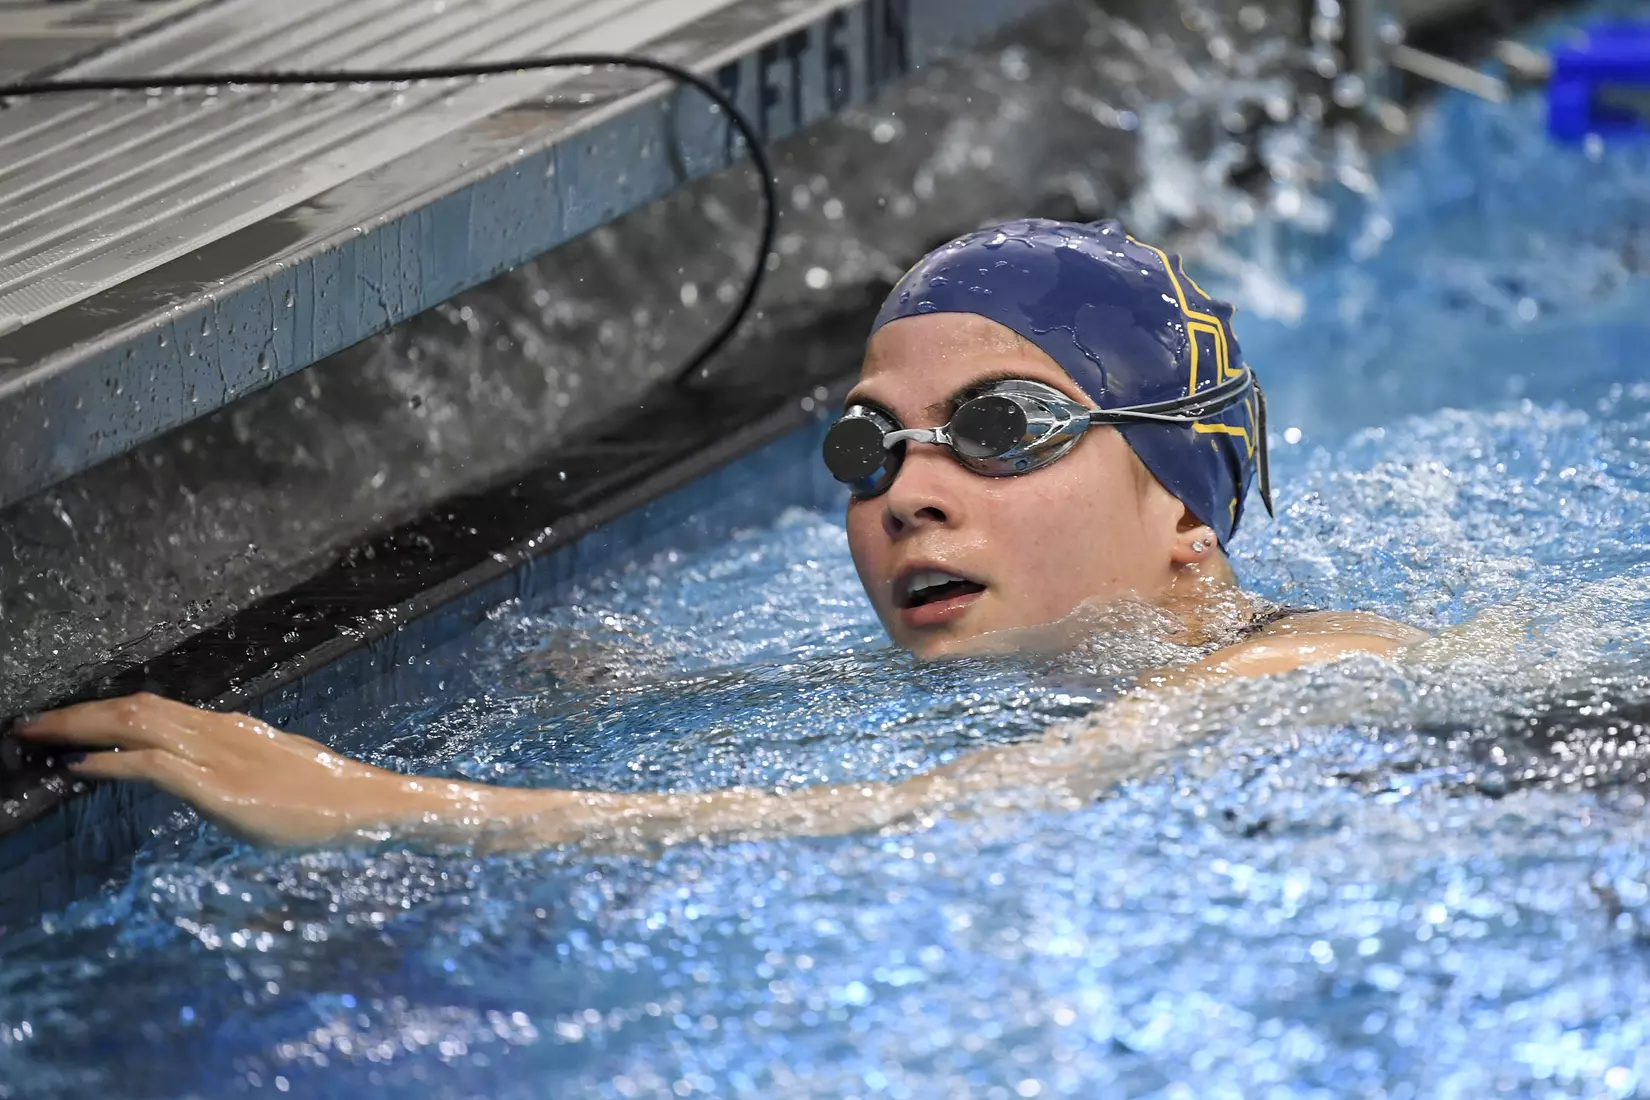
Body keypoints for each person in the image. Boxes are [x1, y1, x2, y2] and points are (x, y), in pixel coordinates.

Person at [10, 219, 1425, 852]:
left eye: (1001, 427)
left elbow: (923, 813)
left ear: (1180, 503)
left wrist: (382, 804)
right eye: (867, 446)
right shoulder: (1084, 681)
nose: (906, 496)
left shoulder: (1304, 673)